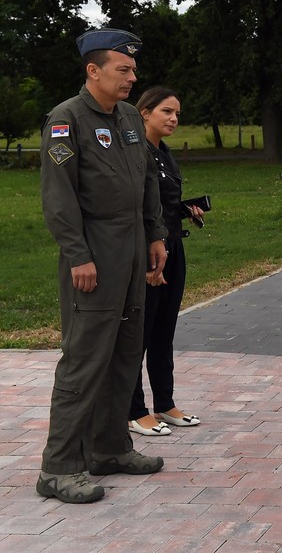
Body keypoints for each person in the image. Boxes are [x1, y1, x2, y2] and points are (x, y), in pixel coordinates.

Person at [37, 28, 169, 504]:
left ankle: (110, 449)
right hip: (93, 250)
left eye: (133, 69)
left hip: (134, 246)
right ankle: (58, 467)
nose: (132, 77)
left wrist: (156, 233)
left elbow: (146, 179)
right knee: (85, 360)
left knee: (125, 353)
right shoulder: (65, 119)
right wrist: (78, 255)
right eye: (123, 69)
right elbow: (58, 198)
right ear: (93, 70)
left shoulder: (131, 117)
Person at [128, 87, 204, 436]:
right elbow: (138, 207)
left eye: (177, 113)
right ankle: (135, 410)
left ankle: (165, 404)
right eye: (166, 112)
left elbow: (160, 201)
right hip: (149, 252)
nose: (174, 119)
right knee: (139, 334)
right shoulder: (135, 152)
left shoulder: (164, 152)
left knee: (163, 332)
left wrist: (185, 208)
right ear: (144, 112)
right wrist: (148, 261)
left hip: (174, 247)